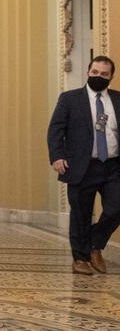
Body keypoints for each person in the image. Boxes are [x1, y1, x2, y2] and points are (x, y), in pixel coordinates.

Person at [47, 55, 120, 275]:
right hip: (82, 166)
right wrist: (57, 156)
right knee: (80, 213)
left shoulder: (117, 99)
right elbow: (55, 130)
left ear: (111, 77)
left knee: (116, 208)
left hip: (114, 166)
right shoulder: (70, 99)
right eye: (95, 72)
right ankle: (80, 258)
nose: (99, 77)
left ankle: (94, 244)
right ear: (88, 72)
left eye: (104, 74)